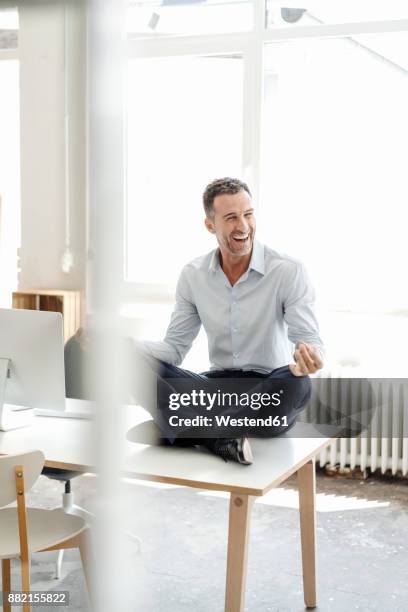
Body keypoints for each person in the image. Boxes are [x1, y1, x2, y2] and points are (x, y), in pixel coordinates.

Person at [133, 177, 324, 465]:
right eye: (232, 218)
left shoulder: (288, 271)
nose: (243, 226)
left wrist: (311, 355)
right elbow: (174, 349)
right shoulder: (193, 274)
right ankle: (218, 434)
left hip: (269, 389)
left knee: (296, 381)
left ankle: (187, 428)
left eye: (248, 215)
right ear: (211, 225)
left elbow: (308, 338)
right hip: (216, 390)